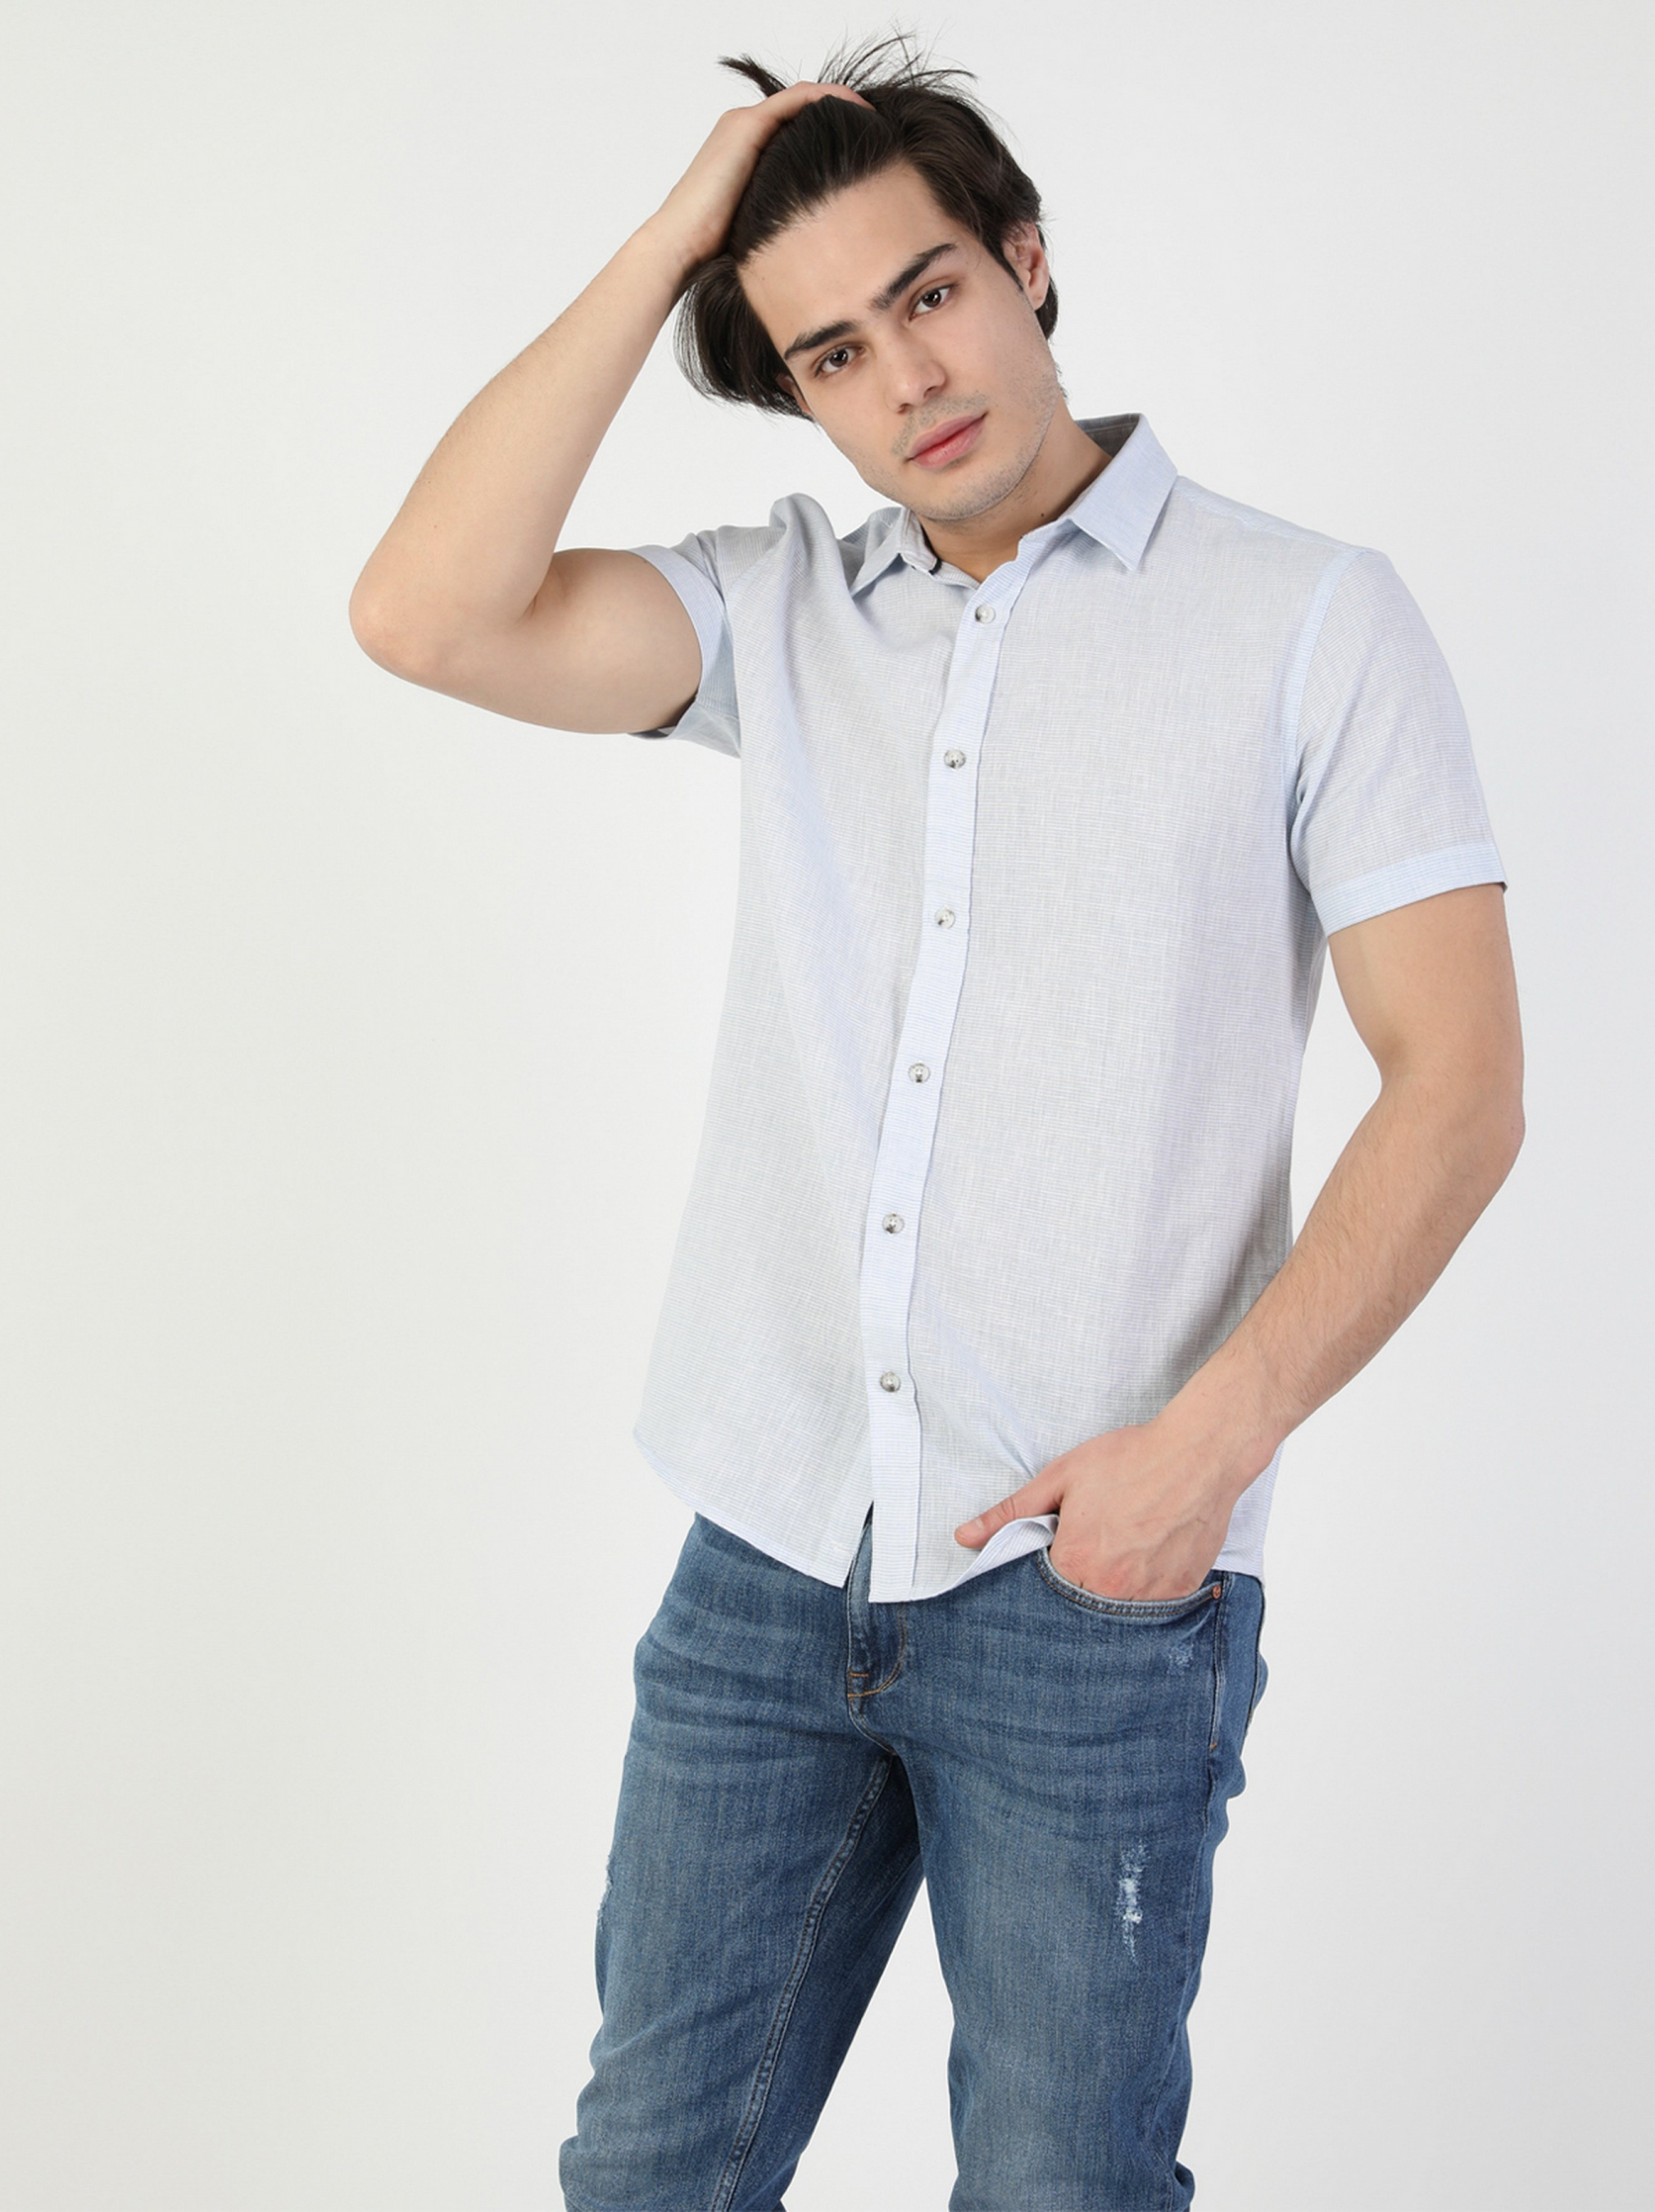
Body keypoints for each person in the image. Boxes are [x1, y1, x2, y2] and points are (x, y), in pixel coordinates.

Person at [349, 32, 1524, 2210]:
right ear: (796, 395)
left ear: (1024, 261)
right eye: (829, 351)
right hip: (768, 1551)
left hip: (1092, 1586)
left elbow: (1460, 1084)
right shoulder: (778, 612)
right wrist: (671, 239)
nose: (906, 375)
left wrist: (1206, 1449)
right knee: (647, 2175)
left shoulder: (1306, 620)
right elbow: (422, 612)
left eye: (929, 292)